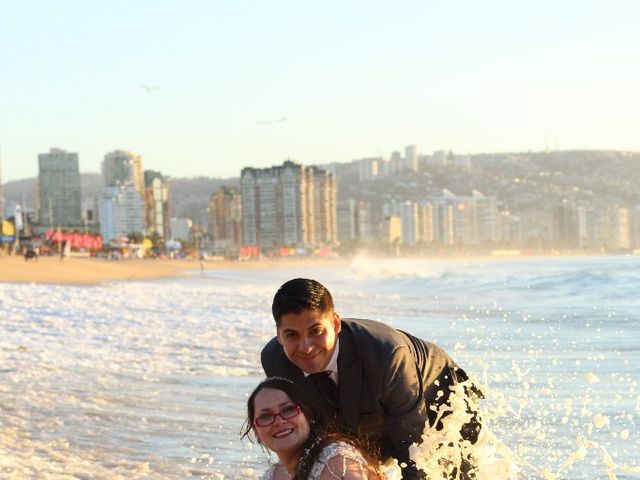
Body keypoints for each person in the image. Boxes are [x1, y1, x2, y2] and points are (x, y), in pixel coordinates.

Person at [261, 278, 481, 480]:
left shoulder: (388, 356)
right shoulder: (275, 362)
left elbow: (413, 451)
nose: (306, 346)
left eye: (316, 330)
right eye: (292, 335)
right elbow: (308, 439)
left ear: (336, 324)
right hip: (365, 411)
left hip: (439, 397)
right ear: (279, 335)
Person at [243, 377, 385, 480]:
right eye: (266, 416)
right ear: (256, 431)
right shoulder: (271, 476)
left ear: (307, 415)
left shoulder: (335, 461)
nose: (279, 421)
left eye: (288, 410)